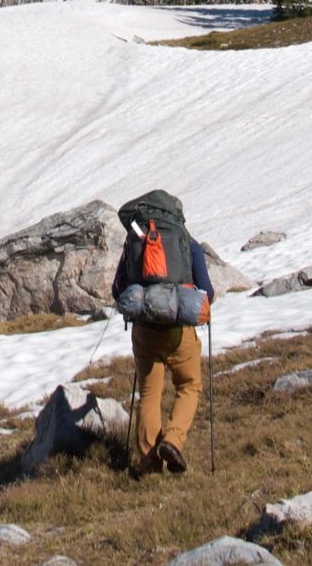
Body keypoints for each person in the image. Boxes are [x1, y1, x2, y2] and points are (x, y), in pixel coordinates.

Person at [111, 189, 214, 474]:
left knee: (149, 394)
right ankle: (173, 440)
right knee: (189, 386)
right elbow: (209, 291)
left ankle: (149, 464)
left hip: (145, 330)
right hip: (180, 329)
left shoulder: (137, 239)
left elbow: (117, 289)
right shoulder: (186, 242)